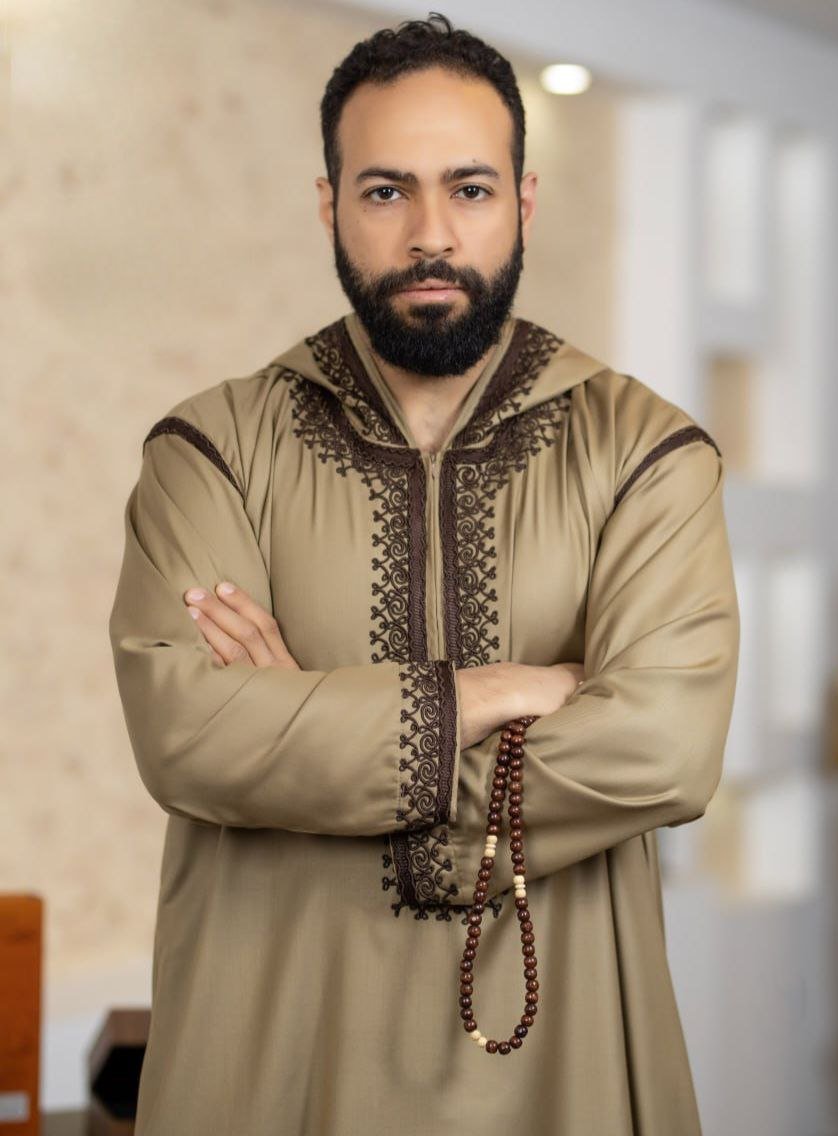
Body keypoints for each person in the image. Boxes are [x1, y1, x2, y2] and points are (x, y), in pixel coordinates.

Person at [108, 12, 740, 1135]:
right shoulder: (211, 451)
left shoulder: (647, 454)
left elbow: (665, 749)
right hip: (273, 1050)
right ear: (330, 205)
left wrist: (307, 732)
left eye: (471, 188)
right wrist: (496, 693)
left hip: (564, 1058)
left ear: (525, 201)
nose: (431, 233)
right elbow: (187, 734)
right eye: (387, 190)